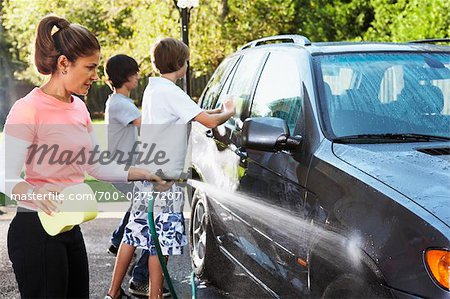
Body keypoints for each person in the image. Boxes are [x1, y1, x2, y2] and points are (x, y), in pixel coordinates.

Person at [0, 15, 167, 298]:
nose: (96, 76)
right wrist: (34, 193)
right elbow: (6, 177)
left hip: (69, 227)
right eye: (90, 67)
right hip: (36, 230)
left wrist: (140, 171)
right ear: (64, 63)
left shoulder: (78, 107)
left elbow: (94, 163)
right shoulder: (27, 108)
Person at [106, 37, 235, 299]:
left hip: (147, 172)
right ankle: (154, 296)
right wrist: (229, 112)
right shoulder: (172, 92)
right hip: (164, 179)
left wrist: (215, 111)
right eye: (186, 61)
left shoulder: (155, 89)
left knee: (133, 234)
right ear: (181, 64)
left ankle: (112, 293)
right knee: (160, 242)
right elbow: (208, 122)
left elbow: (193, 112)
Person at [104, 54, 154, 297]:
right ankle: (141, 278)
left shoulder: (116, 100)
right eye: (135, 72)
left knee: (139, 206)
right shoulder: (122, 104)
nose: (138, 75)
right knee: (147, 215)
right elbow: (146, 125)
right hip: (122, 170)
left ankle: (117, 240)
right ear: (126, 76)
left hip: (122, 167)